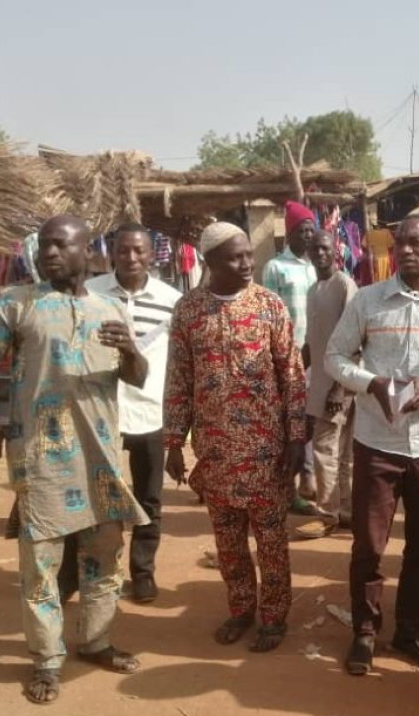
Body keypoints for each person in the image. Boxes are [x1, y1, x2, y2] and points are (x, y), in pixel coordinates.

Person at [0, 214, 148, 704]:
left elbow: (138, 377)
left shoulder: (109, 307)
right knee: (42, 566)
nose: (50, 253)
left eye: (62, 245)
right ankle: (46, 661)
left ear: (88, 252)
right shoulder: (17, 304)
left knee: (105, 556)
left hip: (100, 458)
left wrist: (130, 350)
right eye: (45, 245)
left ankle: (96, 640)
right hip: (41, 458)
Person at [326, 214, 419, 676]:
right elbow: (334, 356)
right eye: (402, 244)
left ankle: (409, 633)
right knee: (369, 547)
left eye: (417, 243)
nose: (407, 250)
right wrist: (370, 383)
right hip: (377, 442)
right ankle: (365, 634)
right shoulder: (368, 301)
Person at [164, 221, 305, 653]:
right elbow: (179, 378)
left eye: (248, 254)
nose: (247, 263)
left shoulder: (269, 306)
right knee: (228, 541)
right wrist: (173, 440)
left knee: (270, 539)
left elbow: (292, 374)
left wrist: (296, 436)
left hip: (266, 450)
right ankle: (241, 609)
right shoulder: (188, 311)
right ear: (208, 262)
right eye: (235, 257)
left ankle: (274, 617)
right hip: (215, 450)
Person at [85, 223, 182, 602]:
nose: (130, 258)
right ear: (112, 252)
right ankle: (99, 570)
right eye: (124, 250)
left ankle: (143, 572)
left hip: (150, 411)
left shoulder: (172, 299)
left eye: (138, 251)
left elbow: (177, 360)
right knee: (99, 497)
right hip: (101, 411)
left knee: (148, 499)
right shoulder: (91, 294)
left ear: (152, 254)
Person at [293, 229, 358, 540]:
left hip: (339, 386)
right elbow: (312, 342)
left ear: (336, 251)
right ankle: (346, 511)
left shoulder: (345, 286)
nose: (319, 253)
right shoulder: (313, 290)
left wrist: (339, 388)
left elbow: (356, 341)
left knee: (325, 450)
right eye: (314, 249)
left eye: (325, 248)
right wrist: (294, 371)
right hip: (320, 383)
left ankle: (327, 514)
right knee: (338, 453)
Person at [262, 200, 319, 513]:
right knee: (287, 425)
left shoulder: (316, 265)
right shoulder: (275, 268)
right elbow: (271, 315)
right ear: (290, 234)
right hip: (289, 357)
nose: (308, 236)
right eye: (302, 230)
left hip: (316, 357)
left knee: (308, 422)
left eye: (311, 230)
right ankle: (288, 491)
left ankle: (306, 479)